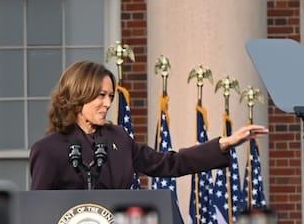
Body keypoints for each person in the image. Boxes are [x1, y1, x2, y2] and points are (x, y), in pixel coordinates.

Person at [29, 61, 268, 190]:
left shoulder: (118, 139)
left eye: (110, 96)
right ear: (78, 95)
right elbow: (39, 212)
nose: (107, 103)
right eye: (100, 95)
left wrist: (224, 143)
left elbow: (170, 164)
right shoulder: (49, 149)